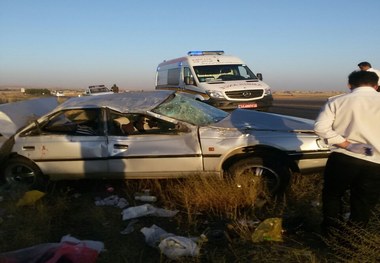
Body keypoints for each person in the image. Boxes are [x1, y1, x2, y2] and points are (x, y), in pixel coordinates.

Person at [314, 70, 380, 235]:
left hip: (343, 158)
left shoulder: (336, 101)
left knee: (332, 195)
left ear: (349, 85)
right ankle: (354, 241)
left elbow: (320, 128)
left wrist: (347, 145)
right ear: (377, 85)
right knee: (363, 203)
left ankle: (330, 233)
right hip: (375, 162)